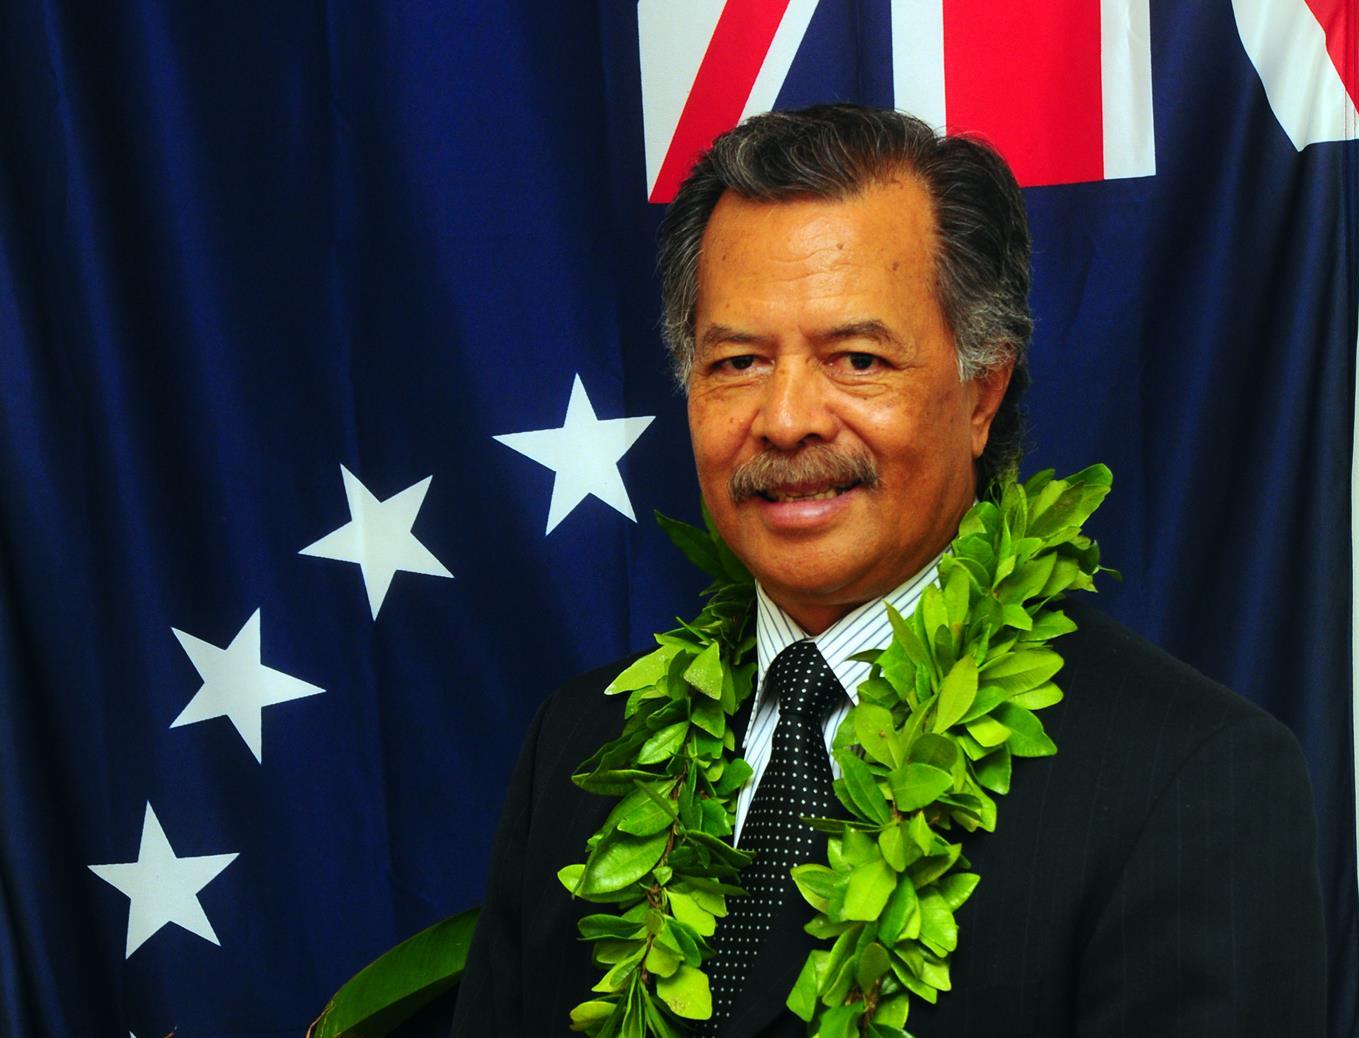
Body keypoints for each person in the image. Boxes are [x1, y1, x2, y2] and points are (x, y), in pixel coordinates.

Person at [451, 105, 1325, 1036]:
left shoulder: (1186, 783)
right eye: (738, 361)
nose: (785, 420)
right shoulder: (575, 750)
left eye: (856, 359)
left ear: (981, 391)